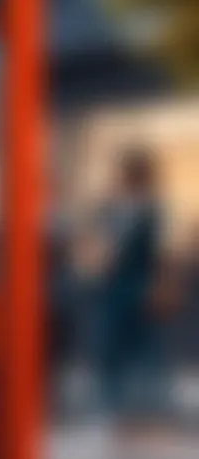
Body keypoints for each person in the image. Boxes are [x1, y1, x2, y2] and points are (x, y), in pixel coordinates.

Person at [91, 147, 163, 425]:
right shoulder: (113, 207)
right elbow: (103, 243)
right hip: (114, 284)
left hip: (137, 283)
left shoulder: (150, 209)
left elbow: (156, 252)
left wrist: (158, 285)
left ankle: (140, 406)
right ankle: (114, 405)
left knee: (140, 345)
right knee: (111, 344)